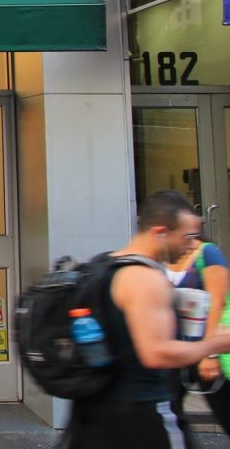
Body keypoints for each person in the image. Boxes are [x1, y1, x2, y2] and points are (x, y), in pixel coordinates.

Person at [64, 191, 230, 448]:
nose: (191, 246)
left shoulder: (102, 265)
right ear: (160, 232)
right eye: (187, 237)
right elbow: (155, 353)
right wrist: (212, 346)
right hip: (141, 414)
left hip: (92, 413)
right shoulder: (146, 279)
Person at [167, 234, 230, 435]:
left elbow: (218, 302)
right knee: (170, 413)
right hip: (178, 350)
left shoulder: (207, 253)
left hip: (211, 349)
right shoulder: (160, 257)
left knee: (225, 410)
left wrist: (209, 354)